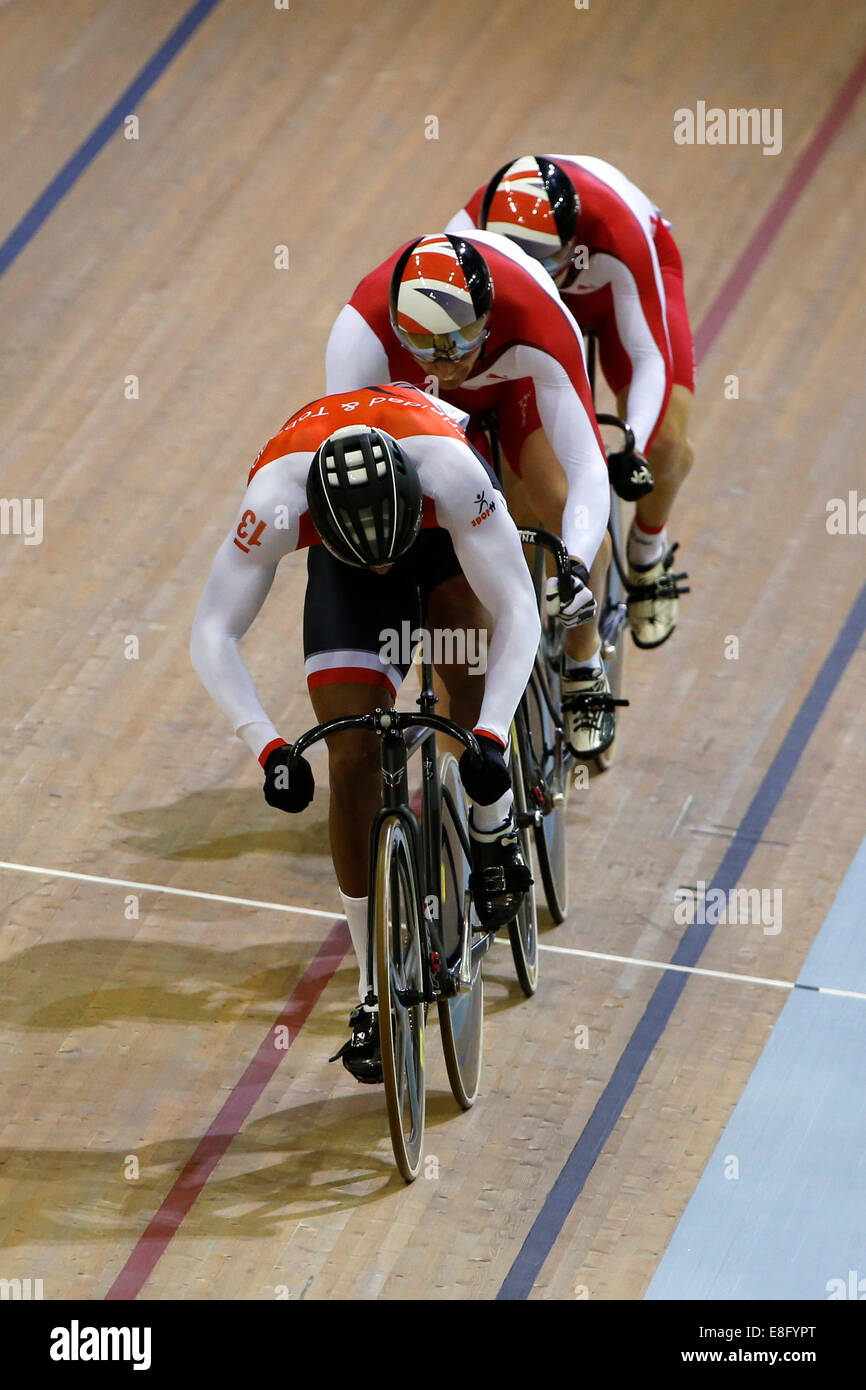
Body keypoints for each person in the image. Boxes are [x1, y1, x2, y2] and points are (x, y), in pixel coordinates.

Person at [190, 383, 540, 1083]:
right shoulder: (275, 499)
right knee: (350, 760)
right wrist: (268, 746)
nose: (387, 567)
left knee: (467, 679)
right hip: (342, 563)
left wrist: (493, 740)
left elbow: (520, 611)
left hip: (440, 542)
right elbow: (212, 632)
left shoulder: (452, 471)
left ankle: (494, 831)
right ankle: (373, 990)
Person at [325, 230, 619, 757]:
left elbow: (589, 470)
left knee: (555, 498)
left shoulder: (536, 317)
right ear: (398, 328)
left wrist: (573, 560)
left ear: (488, 315)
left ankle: (584, 658)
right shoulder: (360, 334)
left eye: (462, 344)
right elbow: (354, 469)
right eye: (426, 350)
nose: (446, 367)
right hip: (418, 411)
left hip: (513, 387)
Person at [446, 154, 695, 647]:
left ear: (575, 241)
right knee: (524, 481)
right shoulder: (461, 243)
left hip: (608, 292)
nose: (540, 278)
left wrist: (634, 447)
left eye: (549, 265)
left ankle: (648, 550)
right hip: (515, 311)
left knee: (665, 442)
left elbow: (649, 357)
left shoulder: (617, 226)